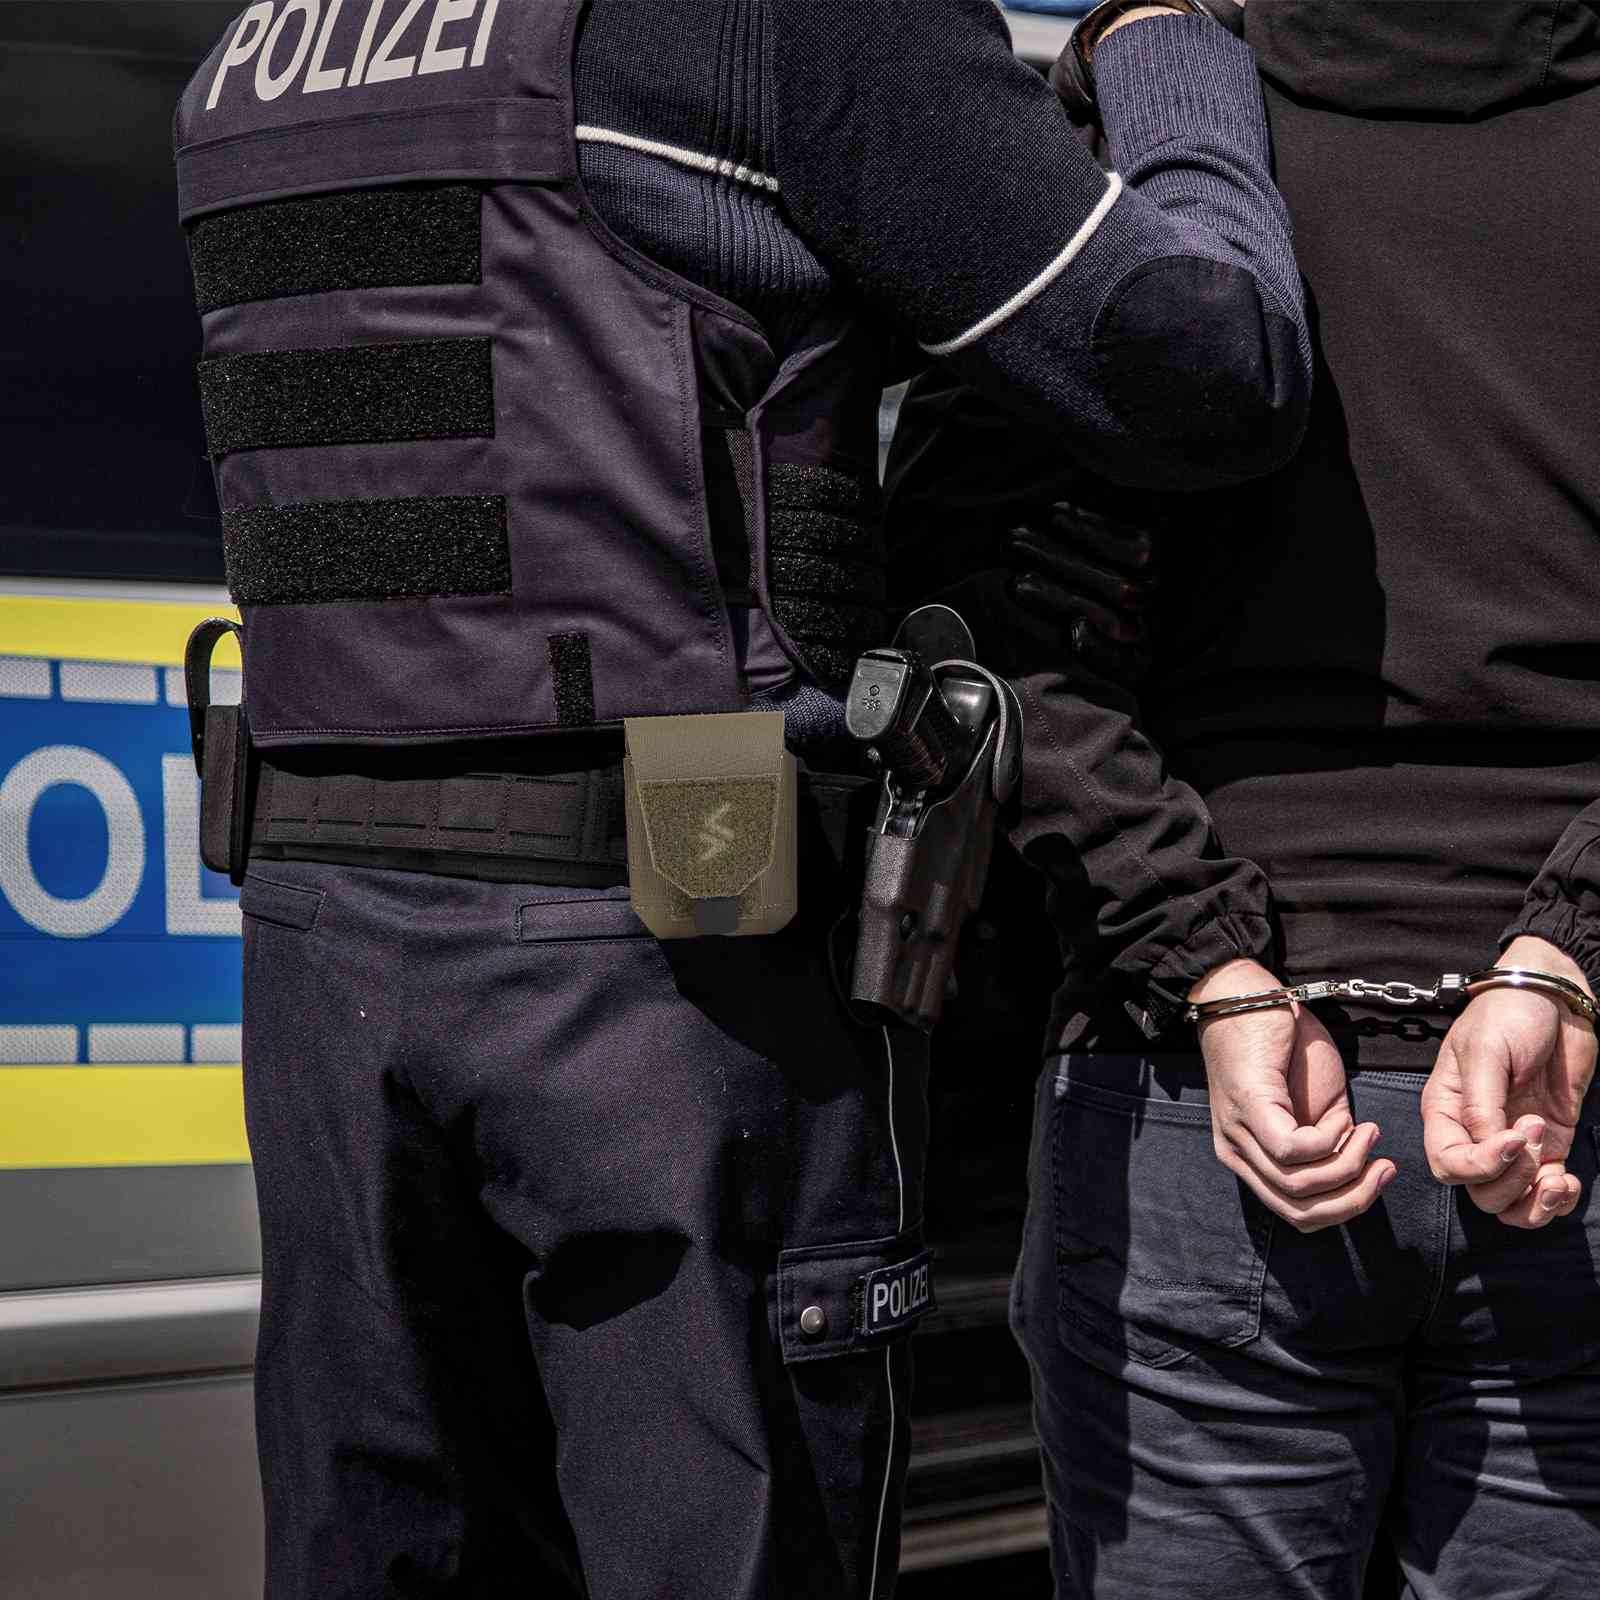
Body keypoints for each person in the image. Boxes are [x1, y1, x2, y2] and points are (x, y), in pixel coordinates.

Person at [173, 1, 1310, 1594]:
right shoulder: (782, 25)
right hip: (674, 949)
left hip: (323, 955)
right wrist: (1161, 45)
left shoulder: (265, 47)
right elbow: (1203, 361)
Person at [885, 2, 1600, 1596]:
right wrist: (1566, 953)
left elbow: (970, 609)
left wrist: (1203, 959)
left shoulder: (1150, 131)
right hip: (1569, 1104)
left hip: (1203, 1098)